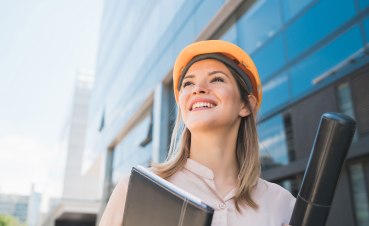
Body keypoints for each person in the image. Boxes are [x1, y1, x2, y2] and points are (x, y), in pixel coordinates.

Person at [99, 40, 295, 226]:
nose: (198, 89)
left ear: (246, 105)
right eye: (188, 84)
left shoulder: (282, 205)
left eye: (217, 79)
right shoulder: (135, 189)